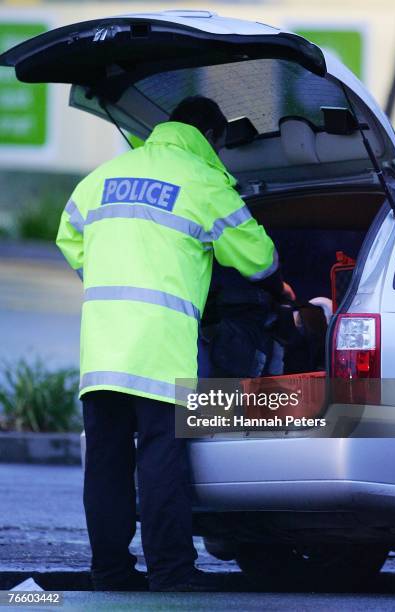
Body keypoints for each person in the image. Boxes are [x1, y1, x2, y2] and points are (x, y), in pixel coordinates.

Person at [56, 96, 283, 592]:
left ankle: (111, 573)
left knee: (107, 464)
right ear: (213, 140)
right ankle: (172, 571)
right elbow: (259, 260)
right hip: (159, 349)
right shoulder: (203, 181)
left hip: (102, 348)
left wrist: (107, 274)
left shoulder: (103, 176)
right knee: (160, 462)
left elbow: (68, 235)